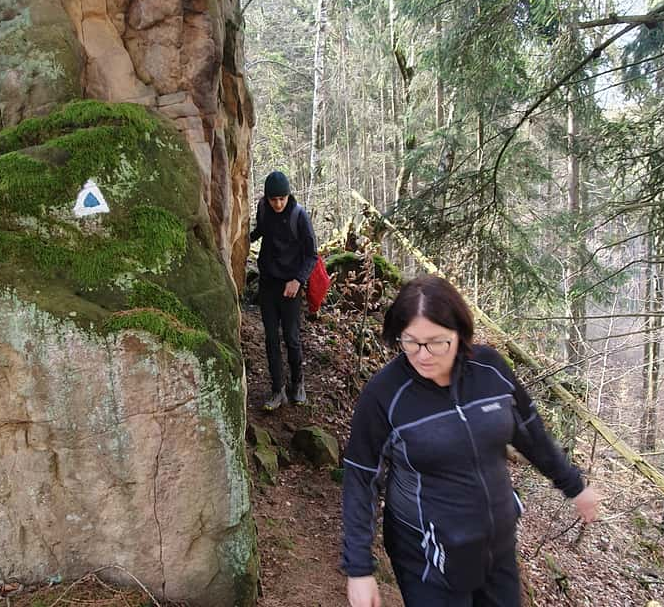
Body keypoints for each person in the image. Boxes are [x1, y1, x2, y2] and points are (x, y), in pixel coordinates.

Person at [340, 275, 600, 607]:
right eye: (410, 342)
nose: (422, 355)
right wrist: (359, 569)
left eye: (436, 342)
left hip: (497, 546)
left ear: (460, 333)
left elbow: (530, 431)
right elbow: (360, 478)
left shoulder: (489, 369)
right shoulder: (385, 394)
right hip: (427, 555)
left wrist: (574, 486)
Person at [249, 171, 318, 410]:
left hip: (291, 286)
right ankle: (277, 389)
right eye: (273, 199)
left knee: (291, 337)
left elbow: (311, 255)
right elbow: (262, 230)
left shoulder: (299, 217)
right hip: (268, 283)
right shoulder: (264, 209)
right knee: (270, 339)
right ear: (266, 198)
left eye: (282, 198)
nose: (278, 204)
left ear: (288, 196)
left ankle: (297, 383)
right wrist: (242, 238)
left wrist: (298, 280)